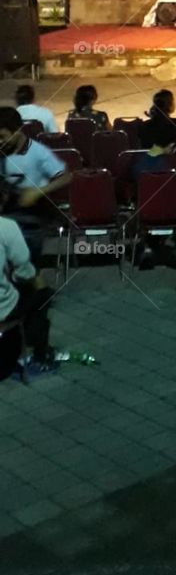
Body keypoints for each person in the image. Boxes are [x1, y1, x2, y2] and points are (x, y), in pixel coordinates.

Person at [0, 107, 72, 264]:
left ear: (17, 131)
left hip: (32, 218)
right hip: (6, 214)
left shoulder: (38, 152)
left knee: (24, 259)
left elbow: (65, 177)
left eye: (2, 137)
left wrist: (38, 192)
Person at [0, 214, 55, 375]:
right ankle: (38, 358)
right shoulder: (6, 226)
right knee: (42, 294)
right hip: (4, 309)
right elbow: (24, 272)